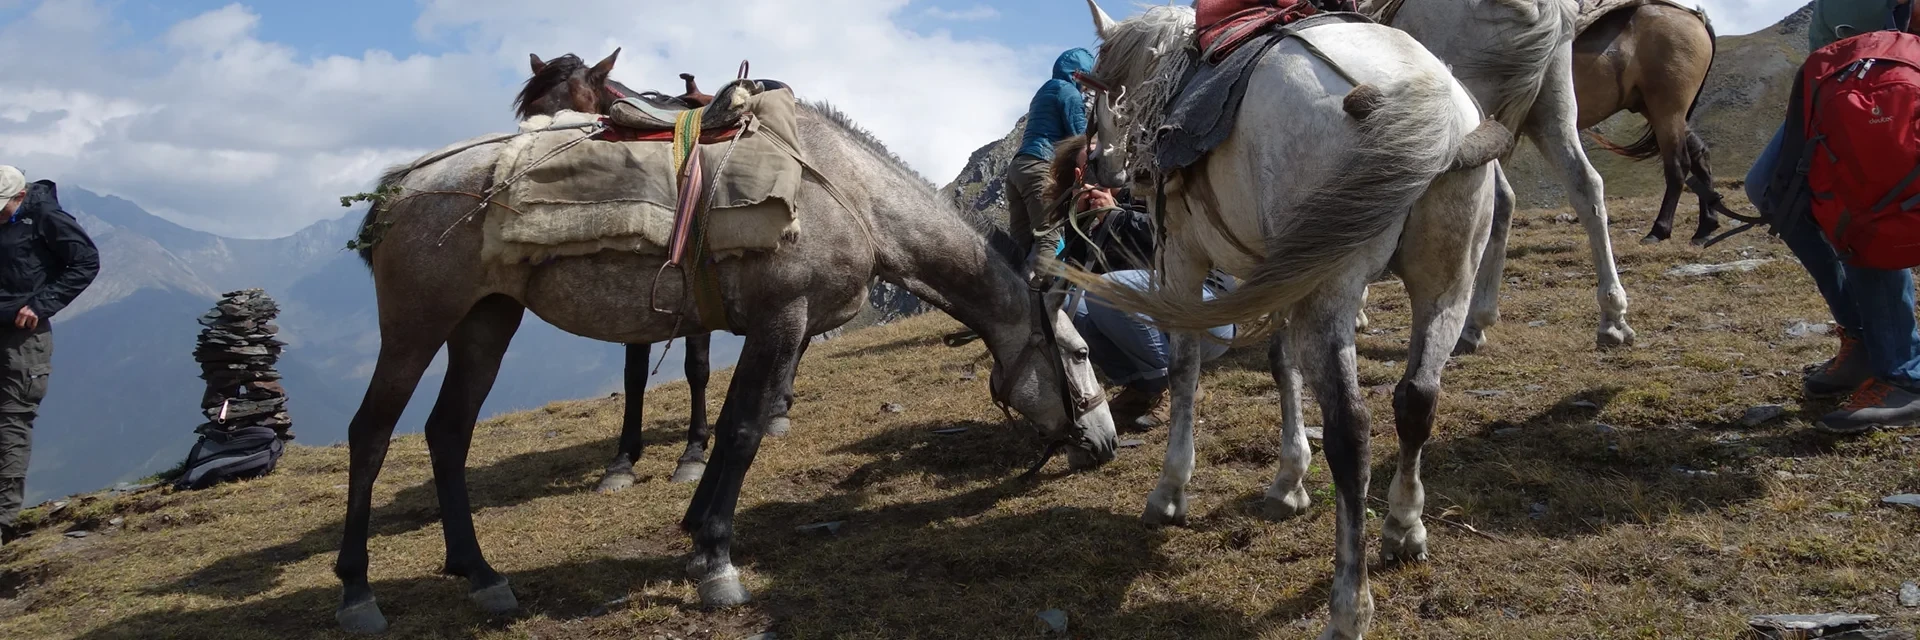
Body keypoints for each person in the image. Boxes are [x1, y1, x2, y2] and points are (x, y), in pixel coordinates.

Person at [1746, 0, 1920, 433]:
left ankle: (1905, 372)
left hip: (1888, 81)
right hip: (1833, 86)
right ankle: (1862, 334)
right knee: (1769, 190)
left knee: (1866, 204)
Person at [1059, 184, 1236, 430]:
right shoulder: (1099, 216)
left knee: (1109, 286)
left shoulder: (1158, 186)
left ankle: (1180, 385)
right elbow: (1079, 275)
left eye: (1096, 167)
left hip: (1208, 309)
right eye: (1081, 176)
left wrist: (1116, 217)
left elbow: (1174, 234)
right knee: (1070, 304)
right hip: (1160, 316)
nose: (1089, 183)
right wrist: (1079, 221)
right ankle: (1142, 385)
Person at [0, 166, 98, 545]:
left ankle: (4, 520)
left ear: (19, 197)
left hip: (22, 338)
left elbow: (86, 262)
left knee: (10, 422)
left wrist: (42, 304)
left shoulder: (47, 219)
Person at [1006, 48, 1096, 257]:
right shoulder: (1069, 92)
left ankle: (1006, 287)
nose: (1085, 88)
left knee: (1020, 243)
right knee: (1048, 238)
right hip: (1041, 166)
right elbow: (1080, 137)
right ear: (1079, 74)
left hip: (1018, 168)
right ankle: (1037, 288)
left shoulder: (1045, 89)